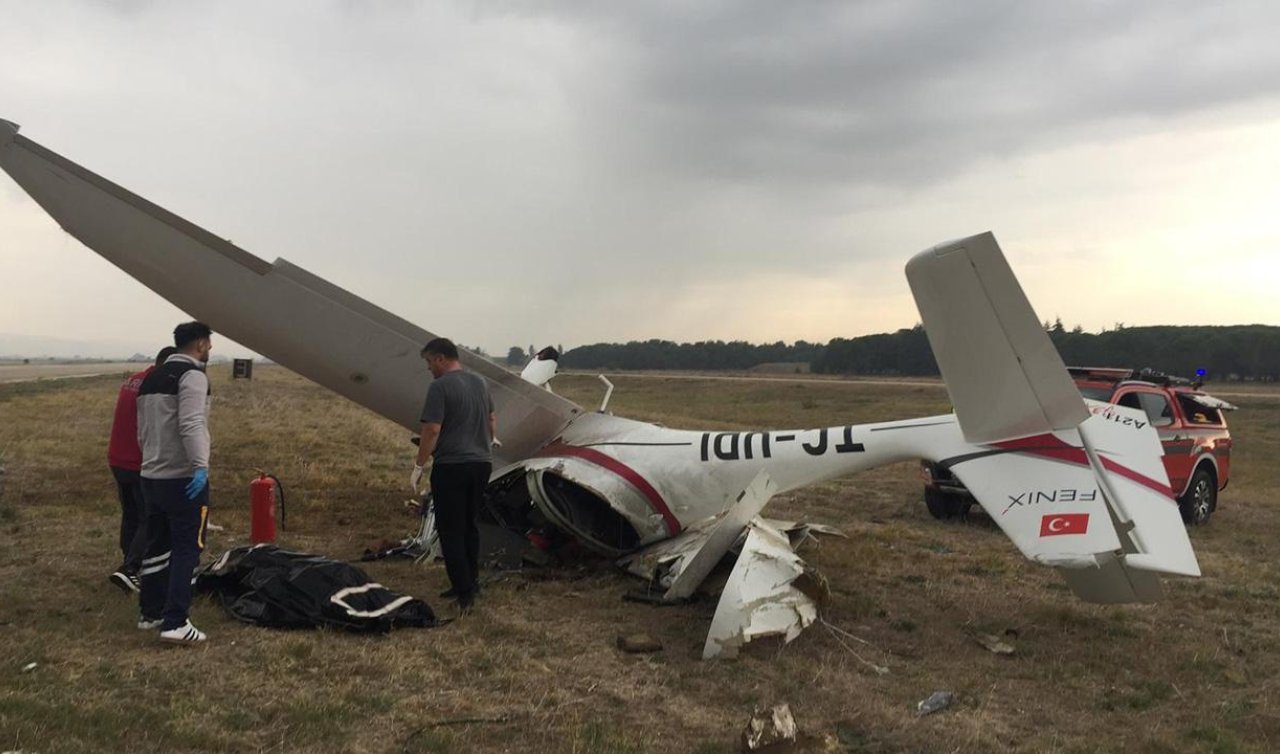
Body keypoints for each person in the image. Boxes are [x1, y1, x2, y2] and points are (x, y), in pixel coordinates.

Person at [136, 321, 214, 644]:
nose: (210, 348)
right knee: (186, 548)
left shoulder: (151, 378)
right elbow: (192, 422)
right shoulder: (193, 376)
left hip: (151, 475)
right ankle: (176, 621)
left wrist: (150, 459)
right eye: (208, 342)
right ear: (199, 344)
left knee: (156, 545)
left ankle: (150, 613)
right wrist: (200, 466)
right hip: (182, 478)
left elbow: (143, 430)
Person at [412, 337, 496, 611]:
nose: (428, 368)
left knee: (450, 529)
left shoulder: (439, 387)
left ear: (440, 358)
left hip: (452, 466)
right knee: (470, 526)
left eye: (428, 362)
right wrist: (486, 442)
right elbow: (491, 420)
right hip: (481, 464)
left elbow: (432, 429)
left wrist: (419, 464)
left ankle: (464, 594)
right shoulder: (480, 382)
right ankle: (471, 582)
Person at [107, 346, 177, 594]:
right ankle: (130, 568)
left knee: (131, 514)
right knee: (152, 515)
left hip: (117, 458)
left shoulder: (133, 380)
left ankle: (128, 565)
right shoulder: (157, 386)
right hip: (140, 461)